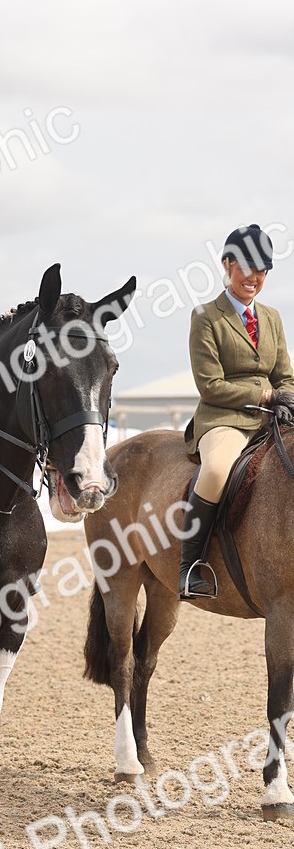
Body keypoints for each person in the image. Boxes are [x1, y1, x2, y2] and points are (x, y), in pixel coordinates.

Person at [180, 223, 294, 599]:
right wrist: (266, 396)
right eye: (246, 267)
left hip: (271, 418)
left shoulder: (272, 318)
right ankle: (190, 566)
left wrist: (286, 398)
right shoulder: (206, 317)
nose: (254, 277)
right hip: (224, 417)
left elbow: (286, 376)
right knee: (214, 471)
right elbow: (210, 385)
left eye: (262, 271)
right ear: (227, 265)